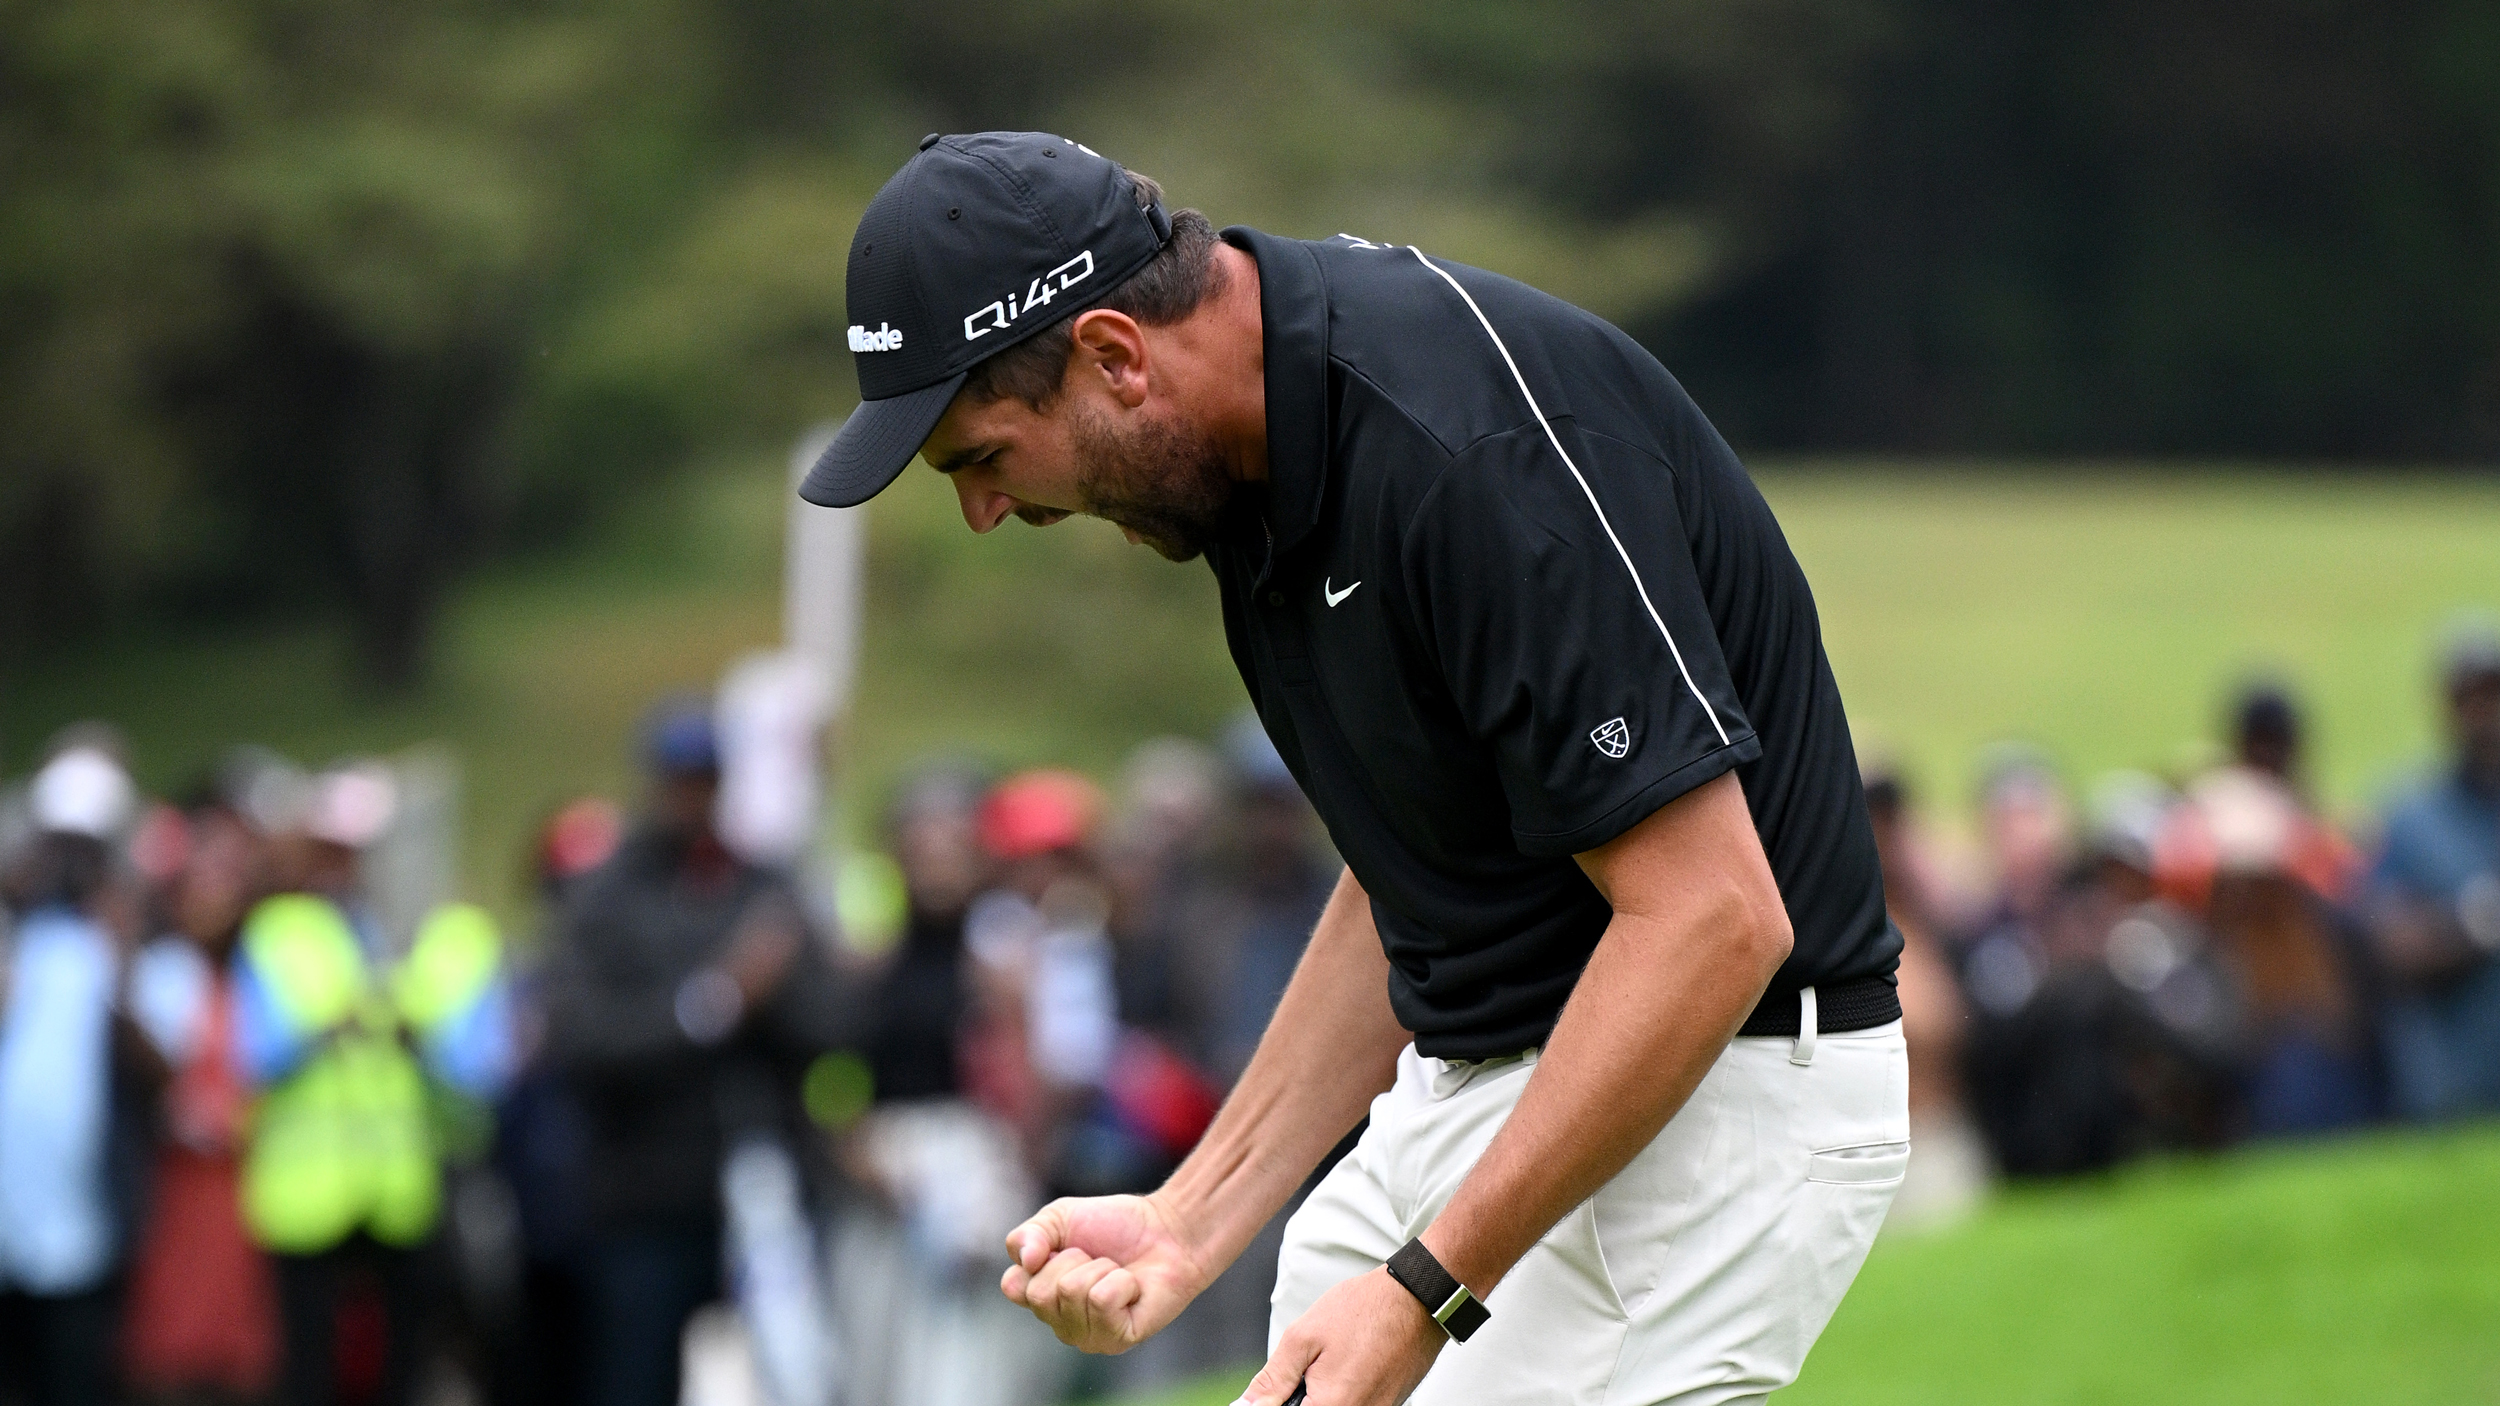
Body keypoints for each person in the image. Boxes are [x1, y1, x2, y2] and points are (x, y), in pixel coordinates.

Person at [800, 132, 1905, 1406]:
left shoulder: (1460, 451)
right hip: (1494, 1085)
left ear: (1112, 354)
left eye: (979, 457)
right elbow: (1406, 874)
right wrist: (1189, 1216)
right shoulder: (1246, 471)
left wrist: (1426, 1288)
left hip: (1705, 1095)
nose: (983, 513)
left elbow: (1712, 920)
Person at [542, 703, 854, 1406]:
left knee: (790, 1380)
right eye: (681, 779)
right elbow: (583, 1038)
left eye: (708, 779)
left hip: (766, 1186)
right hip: (642, 1196)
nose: (694, 796)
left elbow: (831, 1024)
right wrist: (714, 1002)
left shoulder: (764, 883)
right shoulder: (605, 898)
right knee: (638, 1379)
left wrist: (782, 987)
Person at [233, 764, 512, 1406]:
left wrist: (416, 1035)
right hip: (307, 1198)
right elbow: (259, 1053)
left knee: (401, 1367)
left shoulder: (431, 932)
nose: (345, 865)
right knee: (310, 1366)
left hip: (400, 1191)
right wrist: (332, 1027)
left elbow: (476, 1067)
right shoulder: (282, 931)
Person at [0, 742, 156, 1406]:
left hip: (87, 1233)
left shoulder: (125, 944)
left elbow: (158, 1070)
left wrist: (120, 964)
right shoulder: (14, 934)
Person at [121, 793, 283, 1404]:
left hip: (244, 1189)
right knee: (172, 1346)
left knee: (242, 1346)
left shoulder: (257, 968)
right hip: (179, 1188)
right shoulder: (163, 968)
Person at [2362, 625, 2500, 1119]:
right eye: (2472, 699)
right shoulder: (2410, 817)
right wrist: (2473, 925)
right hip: (2453, 1089)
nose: (2487, 716)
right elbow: (2395, 947)